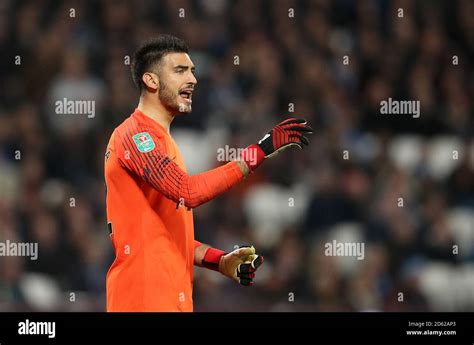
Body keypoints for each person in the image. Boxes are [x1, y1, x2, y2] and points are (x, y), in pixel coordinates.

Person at [104, 34, 313, 311]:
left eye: (192, 71)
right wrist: (257, 152)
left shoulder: (164, 143)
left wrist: (220, 261)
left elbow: (168, 235)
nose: (192, 79)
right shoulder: (134, 135)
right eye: (180, 70)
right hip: (141, 299)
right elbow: (187, 192)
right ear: (151, 81)